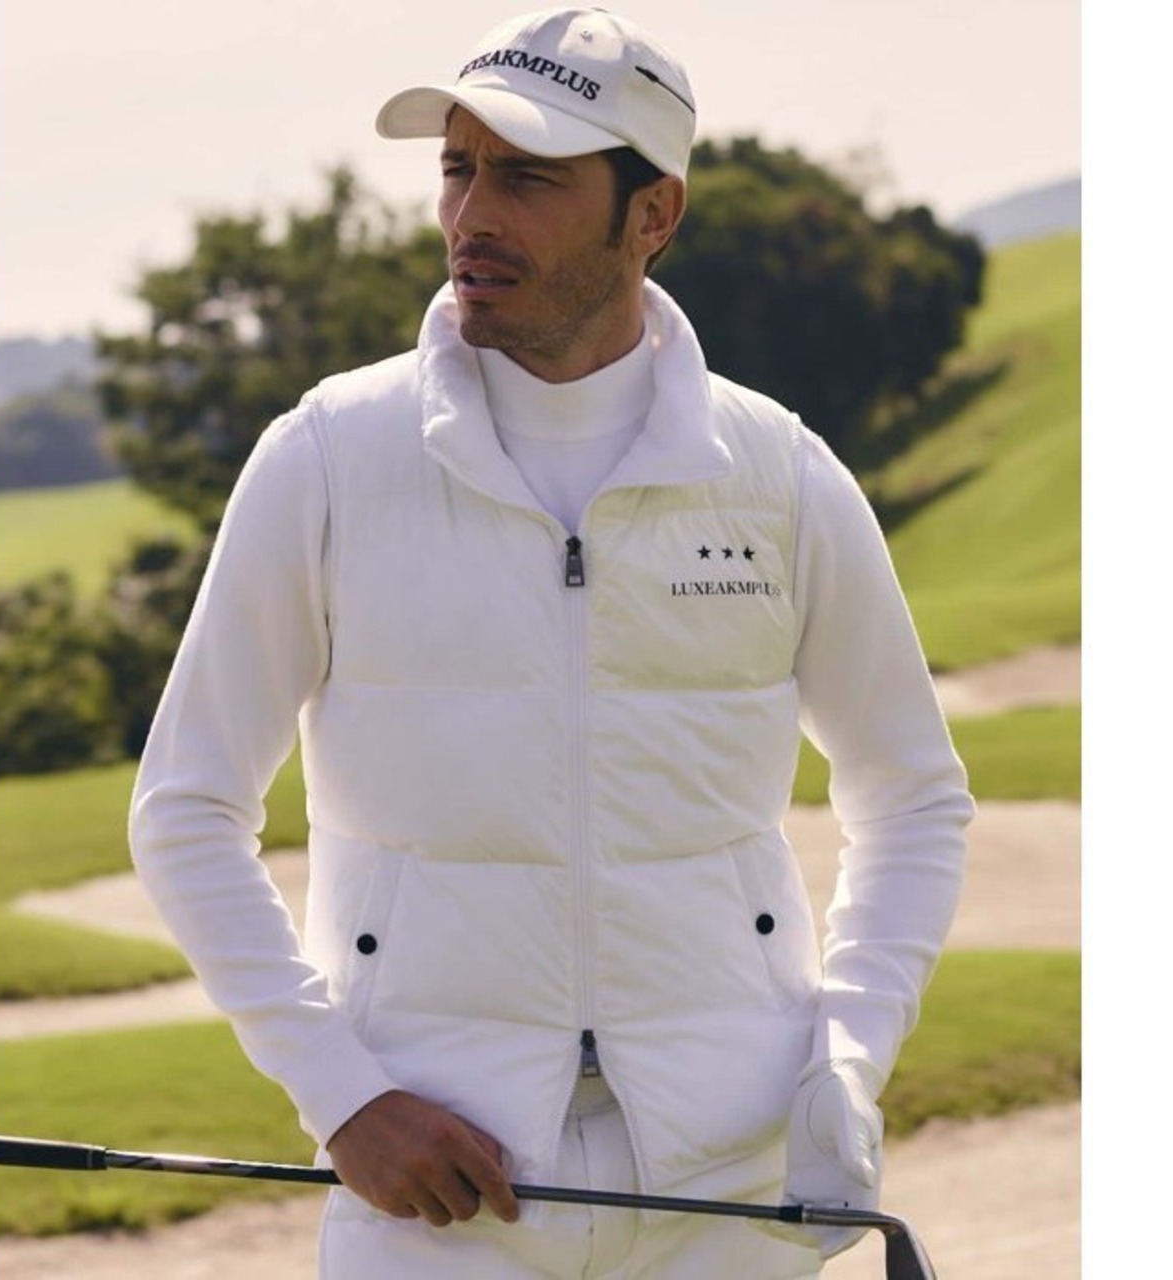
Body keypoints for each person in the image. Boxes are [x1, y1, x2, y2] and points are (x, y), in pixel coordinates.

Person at [128, 7, 974, 1277]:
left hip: (730, 1194)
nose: (471, 216)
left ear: (652, 215)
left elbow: (910, 796)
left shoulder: (781, 477)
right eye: (456, 169)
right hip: (439, 1199)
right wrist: (343, 1097)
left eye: (526, 178)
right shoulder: (325, 459)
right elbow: (186, 809)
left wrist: (843, 1059)